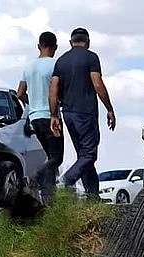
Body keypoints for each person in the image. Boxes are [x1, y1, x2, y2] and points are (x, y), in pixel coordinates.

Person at [49, 27, 116, 201]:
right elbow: (98, 84)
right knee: (89, 154)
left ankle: (92, 196)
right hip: (86, 112)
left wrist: (54, 115)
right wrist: (109, 108)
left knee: (83, 156)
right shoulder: (91, 57)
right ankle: (66, 180)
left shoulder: (61, 61)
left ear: (71, 42)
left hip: (68, 113)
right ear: (88, 42)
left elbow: (53, 89)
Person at [16, 31, 61, 206]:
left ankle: (48, 197)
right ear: (55, 47)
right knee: (57, 157)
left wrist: (32, 102)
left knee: (50, 157)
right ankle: (34, 178)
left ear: (38, 46)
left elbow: (20, 93)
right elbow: (57, 90)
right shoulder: (55, 65)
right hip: (50, 117)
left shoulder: (28, 66)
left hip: (34, 118)